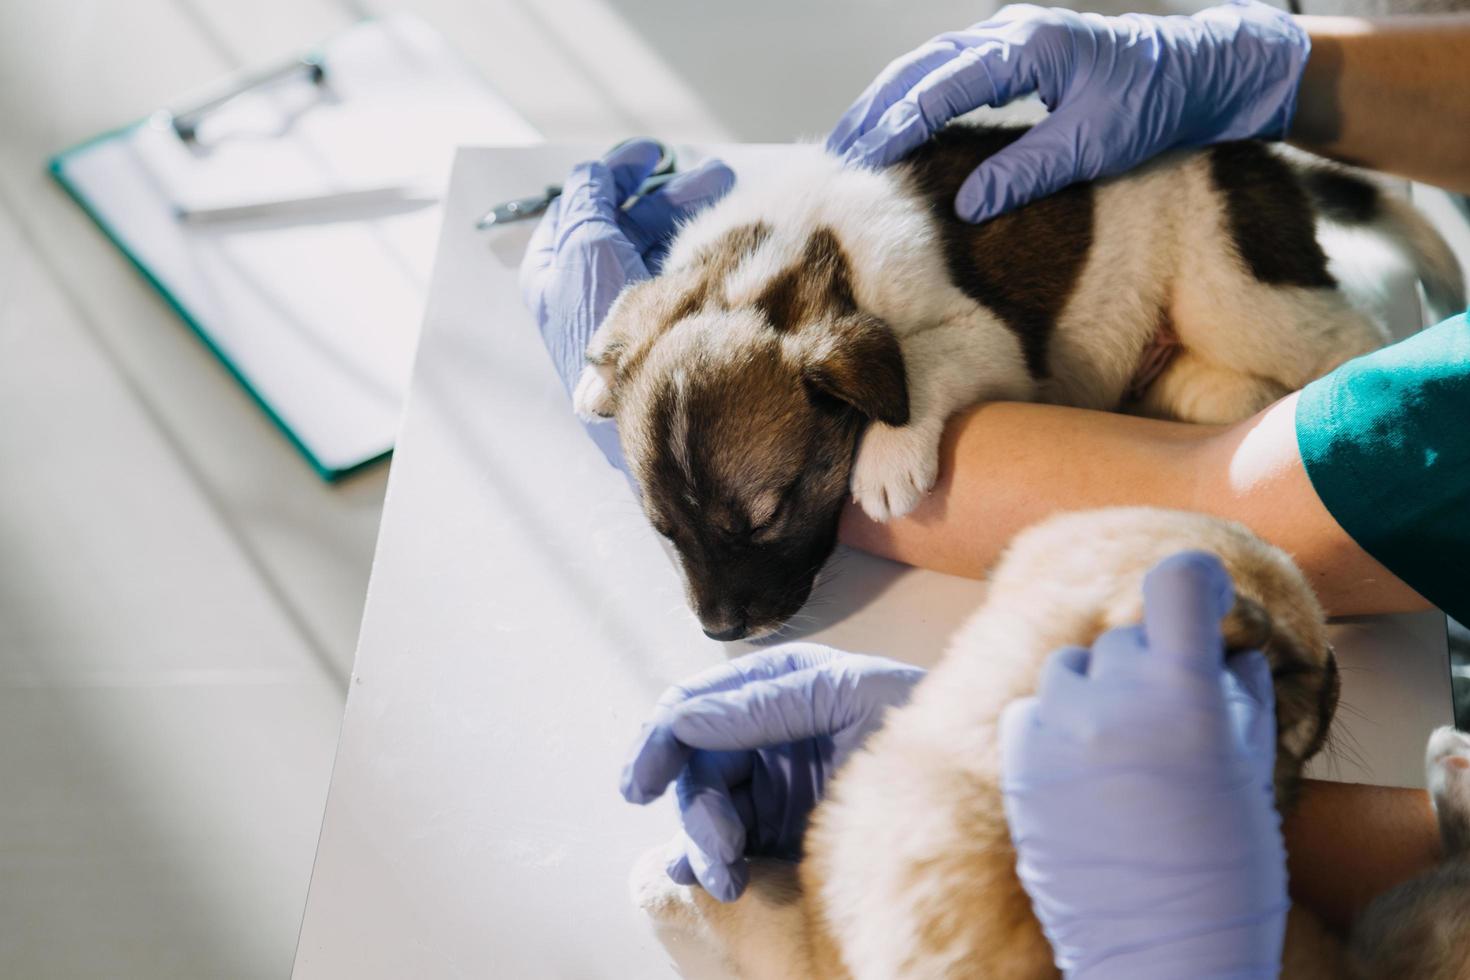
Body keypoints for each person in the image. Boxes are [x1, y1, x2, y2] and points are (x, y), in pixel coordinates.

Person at [519, 0, 1469, 968]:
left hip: (1189, 255)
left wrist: (985, 776)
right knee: (1215, 387)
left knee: (1278, 357)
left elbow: (1241, 513)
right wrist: (1283, 67)